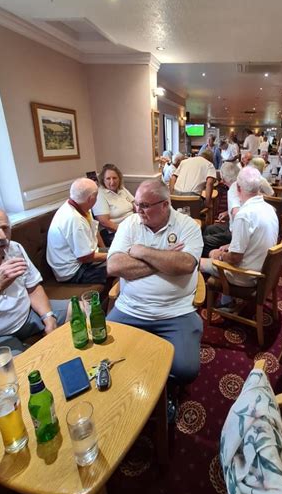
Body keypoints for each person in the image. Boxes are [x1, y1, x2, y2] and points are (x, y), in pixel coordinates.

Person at [107, 180, 203, 384]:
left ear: (165, 205)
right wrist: (166, 258)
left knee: (186, 369)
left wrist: (142, 252)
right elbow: (114, 266)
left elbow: (185, 264)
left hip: (175, 311)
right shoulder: (129, 224)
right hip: (130, 309)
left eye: (144, 205)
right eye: (137, 204)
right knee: (103, 352)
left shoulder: (188, 226)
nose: (138, 210)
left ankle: (161, 391)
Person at [0, 205, 68, 380]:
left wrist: (48, 317)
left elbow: (33, 287)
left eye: (5, 228)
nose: (2, 237)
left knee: (84, 308)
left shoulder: (14, 248)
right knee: (24, 375)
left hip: (26, 316)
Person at [200, 167, 278, 290]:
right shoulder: (270, 209)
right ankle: (225, 300)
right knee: (218, 246)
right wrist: (230, 246)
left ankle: (206, 297)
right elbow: (252, 241)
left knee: (197, 261)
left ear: (238, 188)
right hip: (262, 270)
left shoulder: (244, 215)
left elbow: (235, 258)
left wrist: (218, 255)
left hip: (245, 275)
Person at [47, 178, 108, 284]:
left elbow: (94, 232)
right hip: (74, 272)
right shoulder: (74, 219)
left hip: (85, 258)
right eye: (96, 196)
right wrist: (112, 255)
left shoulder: (80, 206)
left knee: (123, 255)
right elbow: (85, 257)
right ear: (91, 198)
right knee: (122, 264)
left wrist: (107, 250)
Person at [202, 162, 240, 257]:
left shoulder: (232, 191)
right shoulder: (239, 186)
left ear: (223, 178)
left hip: (236, 233)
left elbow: (237, 213)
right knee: (208, 229)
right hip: (233, 227)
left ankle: (213, 261)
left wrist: (232, 244)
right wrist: (227, 212)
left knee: (203, 241)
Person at [92, 163, 134, 246]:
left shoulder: (122, 189)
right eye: (108, 178)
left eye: (115, 178)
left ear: (119, 178)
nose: (112, 181)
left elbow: (135, 204)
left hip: (132, 226)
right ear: (103, 180)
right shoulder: (100, 194)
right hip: (114, 233)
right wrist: (126, 232)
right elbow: (104, 222)